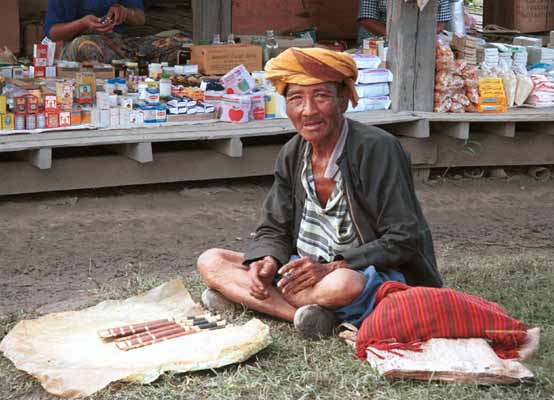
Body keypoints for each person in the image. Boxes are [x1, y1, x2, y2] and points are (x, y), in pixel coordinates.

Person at [196, 47, 442, 340]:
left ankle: (257, 301)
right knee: (211, 260)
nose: (308, 110)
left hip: (362, 272)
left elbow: (405, 239)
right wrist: (267, 260)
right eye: (296, 98)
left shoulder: (377, 149)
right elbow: (274, 226)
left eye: (321, 96)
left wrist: (334, 266)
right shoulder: (292, 153)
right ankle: (306, 316)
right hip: (302, 273)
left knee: (342, 286)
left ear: (343, 101)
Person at [44, 0, 146, 63]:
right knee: (86, 46)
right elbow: (53, 32)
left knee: (161, 43)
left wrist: (125, 12)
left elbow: (141, 18)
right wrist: (83, 24)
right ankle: (131, 63)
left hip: (120, 43)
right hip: (80, 43)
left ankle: (131, 60)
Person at [357, 0, 452, 43]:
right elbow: (366, 19)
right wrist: (398, 36)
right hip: (380, 44)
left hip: (421, 43)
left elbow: (440, 23)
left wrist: (416, 38)